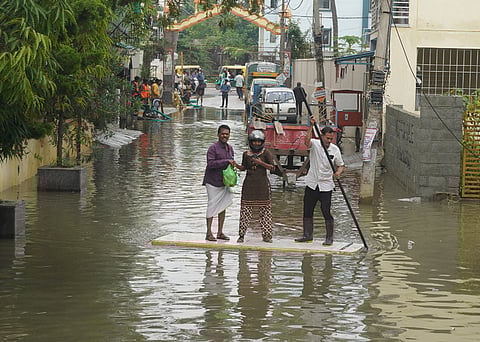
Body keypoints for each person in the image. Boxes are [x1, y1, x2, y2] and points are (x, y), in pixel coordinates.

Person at [295, 117, 345, 245]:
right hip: (312, 183)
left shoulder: (335, 150)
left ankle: (329, 237)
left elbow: (341, 165)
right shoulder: (315, 145)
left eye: (331, 139)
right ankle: (307, 235)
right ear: (322, 136)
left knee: (326, 211)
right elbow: (306, 142)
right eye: (327, 138)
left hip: (326, 185)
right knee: (307, 210)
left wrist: (338, 172)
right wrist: (311, 126)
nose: (329, 141)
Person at [234, 130, 275, 243]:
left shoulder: (266, 153)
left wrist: (260, 162)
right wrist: (236, 165)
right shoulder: (246, 154)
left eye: (258, 141)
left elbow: (272, 168)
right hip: (249, 185)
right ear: (250, 142)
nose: (256, 143)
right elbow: (244, 168)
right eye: (254, 141)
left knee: (265, 211)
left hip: (262, 185)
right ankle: (241, 235)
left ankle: (267, 236)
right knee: (245, 211)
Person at [202, 125, 235, 241]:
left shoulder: (230, 148)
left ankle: (220, 232)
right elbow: (210, 164)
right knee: (212, 205)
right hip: (212, 181)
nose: (225, 136)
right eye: (223, 133)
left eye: (227, 134)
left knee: (223, 206)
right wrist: (226, 161)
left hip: (224, 182)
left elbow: (231, 165)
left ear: (229, 135)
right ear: (218, 135)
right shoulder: (213, 148)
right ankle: (208, 233)